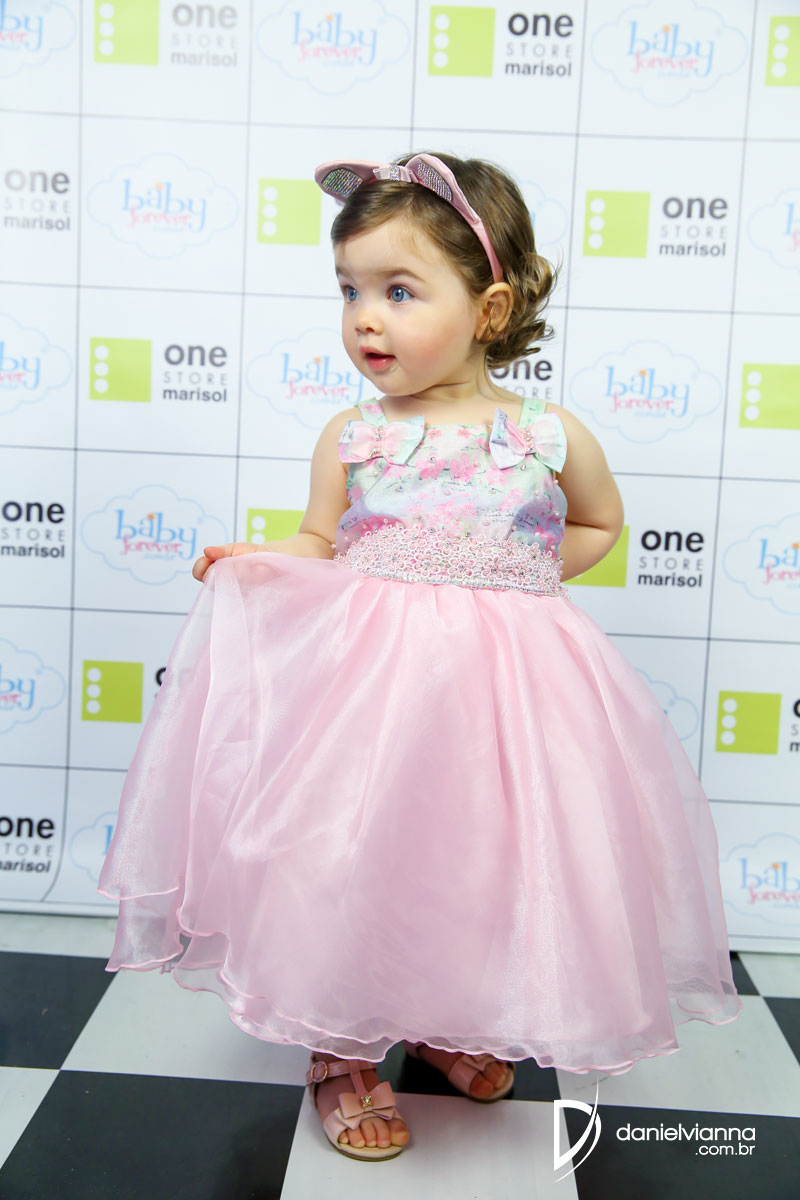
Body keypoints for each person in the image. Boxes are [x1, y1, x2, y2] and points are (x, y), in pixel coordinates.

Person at [97, 151, 742, 1163]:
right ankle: (341, 1051)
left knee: (477, 861)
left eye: (398, 292)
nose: (365, 318)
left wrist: (515, 571)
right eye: (349, 291)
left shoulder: (545, 434)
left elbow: (597, 524)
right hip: (373, 698)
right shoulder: (354, 436)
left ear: (489, 309)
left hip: (507, 700)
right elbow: (319, 541)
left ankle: (445, 1023)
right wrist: (261, 561)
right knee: (357, 858)